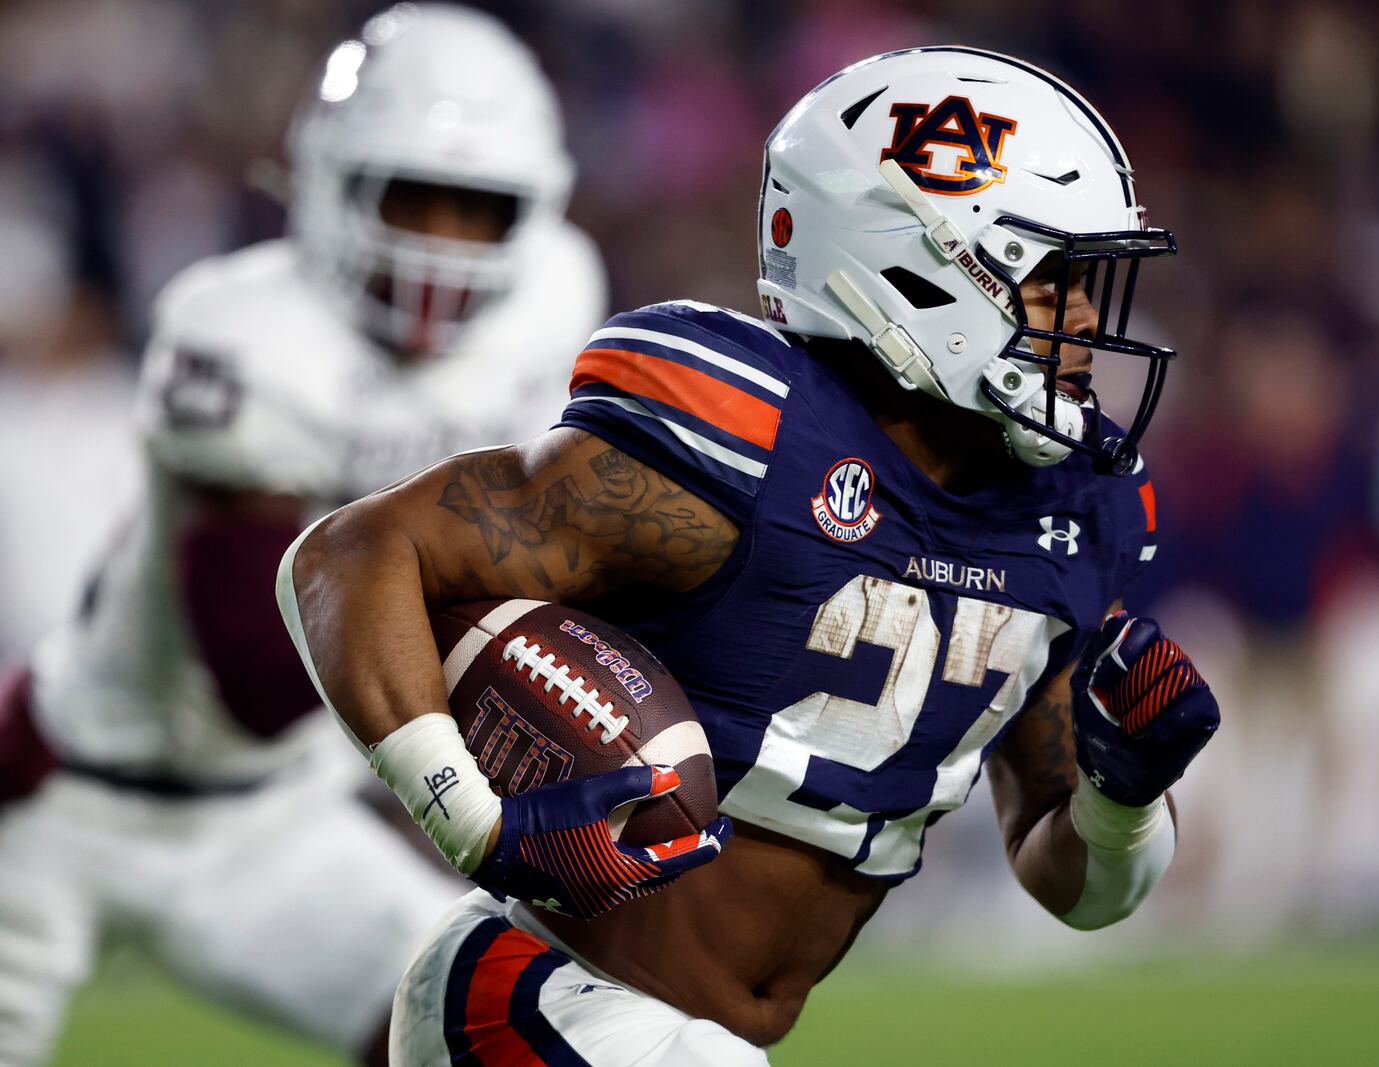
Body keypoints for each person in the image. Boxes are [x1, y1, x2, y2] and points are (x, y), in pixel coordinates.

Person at [278, 47, 1218, 1066]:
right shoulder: (749, 442)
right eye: (1052, 280)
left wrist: (1122, 797)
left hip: (694, 1035)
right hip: (556, 989)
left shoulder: (1068, 517)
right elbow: (352, 554)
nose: (1086, 321)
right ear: (918, 264)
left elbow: (1069, 882)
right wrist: (469, 817)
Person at [0, 5, 605, 1065]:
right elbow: (257, 666)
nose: (439, 244)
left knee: (499, 1029)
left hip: (272, 820)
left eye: (477, 208)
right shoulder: (242, 329)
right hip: (68, 793)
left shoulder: (554, 295)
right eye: (410, 197)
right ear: (329, 184)